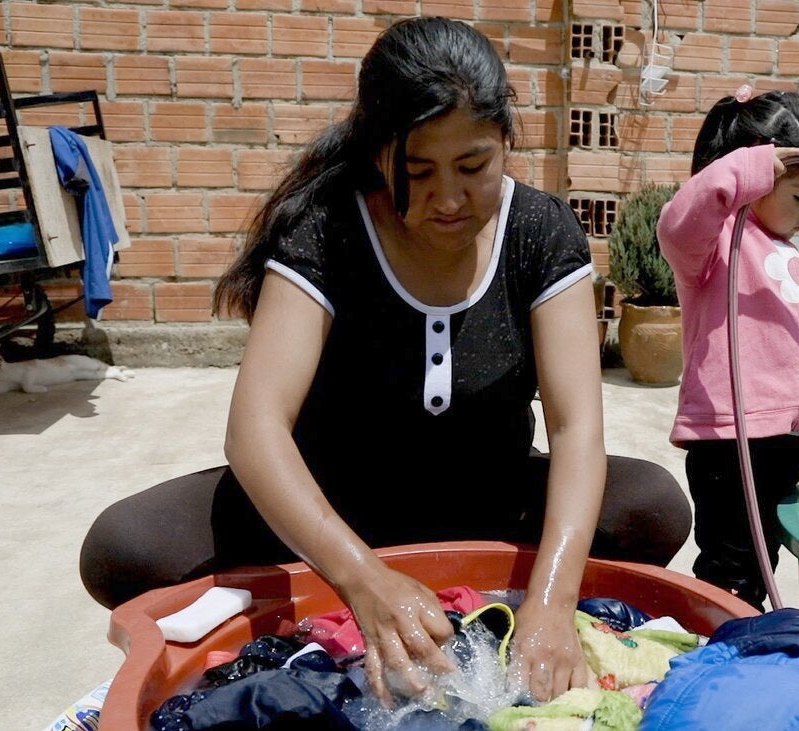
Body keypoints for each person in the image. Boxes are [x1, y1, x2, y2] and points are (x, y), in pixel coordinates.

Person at [79, 17, 690, 705]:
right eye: (418, 171)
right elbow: (255, 431)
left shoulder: (540, 233)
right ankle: (333, 577)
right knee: (121, 545)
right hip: (340, 502)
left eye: (474, 165)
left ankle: (478, 574)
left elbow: (577, 428)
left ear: (506, 142)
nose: (450, 198)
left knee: (651, 505)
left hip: (485, 500)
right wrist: (363, 580)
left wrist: (551, 600)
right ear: (376, 154)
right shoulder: (330, 230)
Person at [655, 86, 799, 608]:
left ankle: (745, 620)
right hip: (729, 436)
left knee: (764, 558)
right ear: (757, 180)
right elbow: (678, 220)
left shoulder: (792, 257)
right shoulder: (714, 245)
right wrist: (746, 168)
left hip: (785, 437)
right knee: (730, 559)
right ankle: (719, 633)